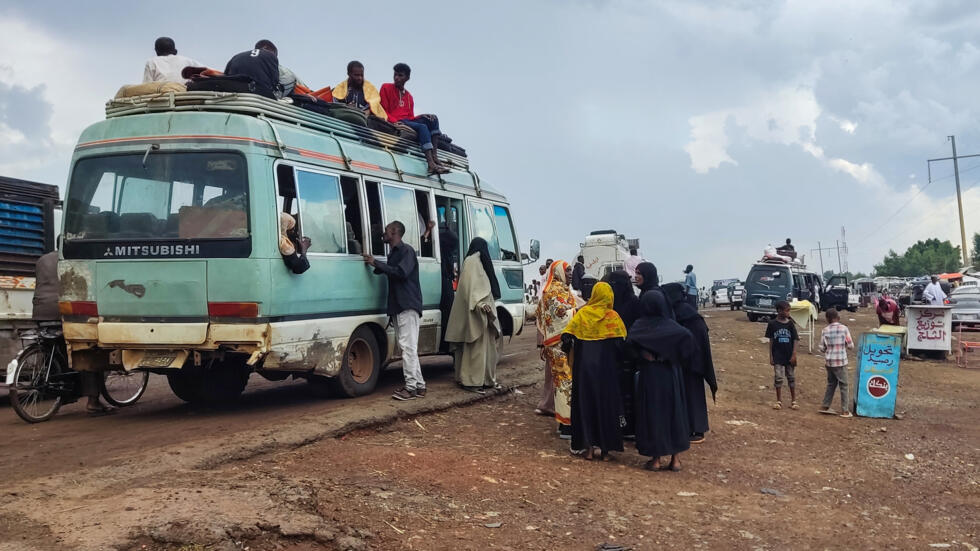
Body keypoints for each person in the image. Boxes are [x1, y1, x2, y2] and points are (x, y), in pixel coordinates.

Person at [33, 251, 115, 416]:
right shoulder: (76, 258)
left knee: (55, 348)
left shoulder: (43, 260)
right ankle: (93, 402)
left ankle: (63, 390)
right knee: (87, 349)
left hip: (40, 311)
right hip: (63, 309)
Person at [627, 290, 694, 472]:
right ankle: (675, 459)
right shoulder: (672, 327)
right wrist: (673, 356)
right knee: (675, 412)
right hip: (671, 374)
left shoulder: (640, 325)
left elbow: (629, 344)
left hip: (651, 375)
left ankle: (655, 459)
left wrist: (644, 355)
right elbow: (687, 340)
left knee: (653, 413)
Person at [560, 282, 627, 460]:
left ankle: (588, 448)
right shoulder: (613, 317)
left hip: (584, 371)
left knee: (586, 405)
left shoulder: (583, 315)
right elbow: (622, 346)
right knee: (606, 406)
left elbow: (566, 336)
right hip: (607, 372)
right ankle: (606, 450)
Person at [363, 221, 425, 400]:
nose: (383, 234)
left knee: (408, 348)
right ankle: (419, 386)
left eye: (386, 231)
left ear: (394, 232)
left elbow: (401, 272)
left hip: (407, 305)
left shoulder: (406, 251)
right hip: (399, 305)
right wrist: (376, 265)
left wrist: (376, 263)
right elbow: (392, 270)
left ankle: (411, 388)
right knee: (408, 348)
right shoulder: (395, 253)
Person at [663, 283, 718, 444]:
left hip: (689, 362)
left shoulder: (681, 314)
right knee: (692, 394)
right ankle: (693, 428)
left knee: (691, 395)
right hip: (694, 361)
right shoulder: (689, 312)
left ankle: (697, 430)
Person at [446, 238, 502, 393]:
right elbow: (470, 290)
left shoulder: (474, 262)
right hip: (476, 314)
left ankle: (484, 380)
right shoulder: (472, 262)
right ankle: (471, 381)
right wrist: (479, 304)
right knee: (475, 350)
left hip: (484, 313)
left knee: (486, 349)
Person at [379, 63, 449, 175]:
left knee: (433, 118)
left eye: (400, 75)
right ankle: (430, 164)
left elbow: (410, 117)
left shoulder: (409, 97)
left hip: (407, 121)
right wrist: (395, 122)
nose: (397, 78)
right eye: (395, 75)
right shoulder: (386, 87)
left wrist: (423, 116)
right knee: (422, 127)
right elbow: (383, 110)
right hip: (397, 121)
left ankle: (435, 157)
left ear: (407, 78)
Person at [536, 260, 578, 439]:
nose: (570, 273)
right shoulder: (554, 292)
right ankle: (566, 425)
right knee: (565, 385)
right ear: (559, 271)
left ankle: (564, 423)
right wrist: (580, 311)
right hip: (558, 345)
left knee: (563, 385)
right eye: (567, 270)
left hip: (560, 344)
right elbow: (561, 315)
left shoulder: (561, 290)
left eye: (571, 271)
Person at [608, 270, 643, 439]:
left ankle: (630, 426)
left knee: (629, 391)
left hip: (629, 353)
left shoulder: (634, 303)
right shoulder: (611, 303)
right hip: (614, 354)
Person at [818, 308, 854, 418]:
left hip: (829, 361)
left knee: (831, 384)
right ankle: (845, 410)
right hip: (841, 361)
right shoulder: (844, 329)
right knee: (844, 385)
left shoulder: (825, 330)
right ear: (838, 317)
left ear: (827, 319)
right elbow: (850, 345)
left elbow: (822, 348)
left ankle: (825, 405)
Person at [766, 300, 799, 410]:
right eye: (787, 310)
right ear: (780, 311)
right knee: (778, 377)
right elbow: (771, 340)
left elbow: (795, 339)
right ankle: (778, 400)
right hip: (778, 355)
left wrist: (794, 354)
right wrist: (770, 356)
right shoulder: (772, 324)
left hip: (789, 355)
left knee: (791, 377)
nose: (789, 313)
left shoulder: (790, 324)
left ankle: (794, 400)